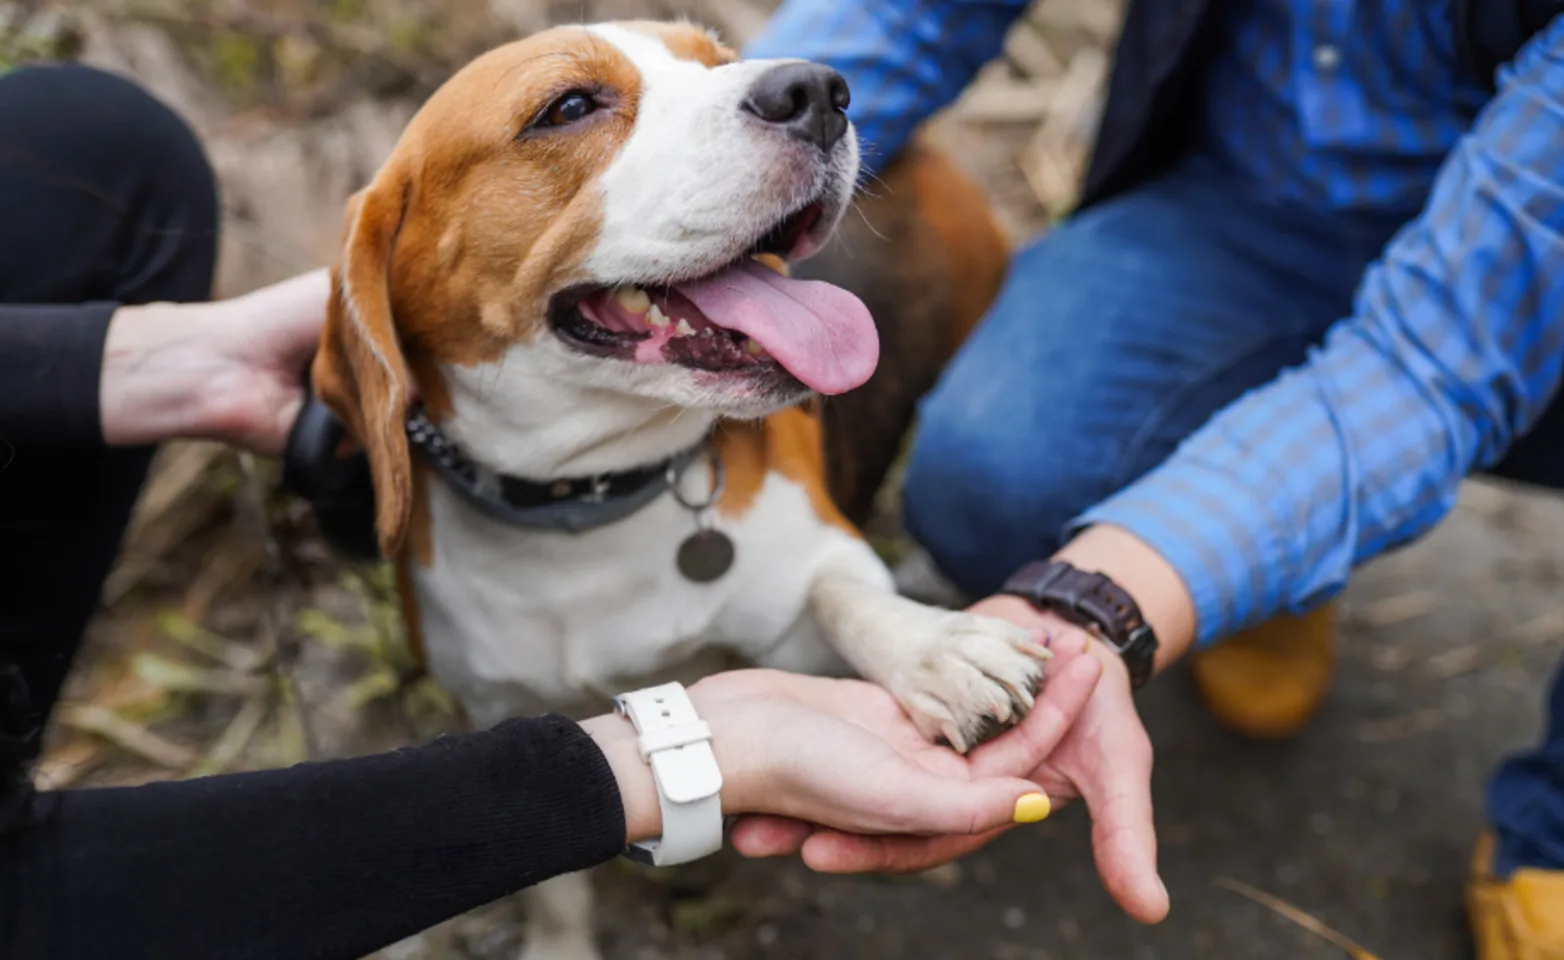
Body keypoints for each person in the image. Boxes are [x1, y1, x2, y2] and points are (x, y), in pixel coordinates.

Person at [0, 61, 1109, 959]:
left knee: (96, 141)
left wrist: (882, 628)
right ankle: (561, 921)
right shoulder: (393, 381)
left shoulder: (766, 373)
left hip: (880, 328)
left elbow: (823, 574)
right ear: (400, 273)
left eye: (705, 66)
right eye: (573, 110)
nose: (794, 92)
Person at [742, 0, 1564, 953]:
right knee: (993, 475)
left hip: (1525, 292)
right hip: (1246, 212)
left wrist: (1098, 600)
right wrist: (714, 163)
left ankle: (1549, 829)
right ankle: (1265, 570)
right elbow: (920, 13)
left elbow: (1431, 368)